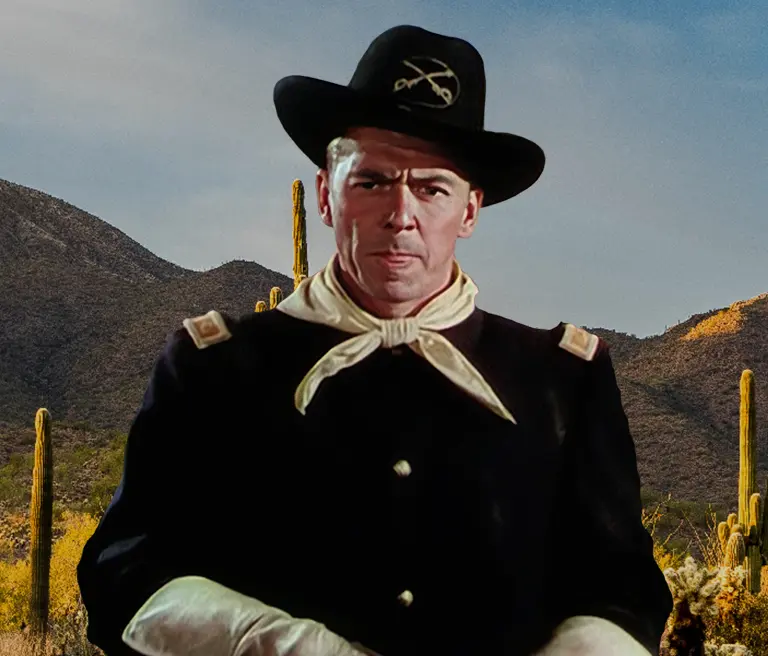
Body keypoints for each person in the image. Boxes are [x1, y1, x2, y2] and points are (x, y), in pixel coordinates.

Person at [77, 24, 673, 656]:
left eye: (432, 188)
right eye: (371, 181)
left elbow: (622, 588)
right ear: (325, 197)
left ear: (469, 211)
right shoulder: (213, 370)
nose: (400, 214)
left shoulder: (563, 382)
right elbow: (126, 571)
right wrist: (286, 645)